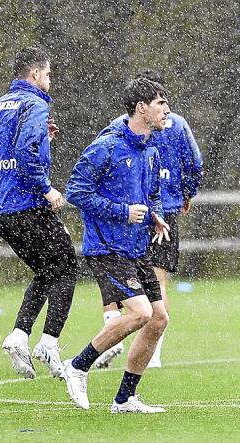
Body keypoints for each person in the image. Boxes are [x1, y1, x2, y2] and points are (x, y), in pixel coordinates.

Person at [62, 78, 171, 413]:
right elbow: (75, 192)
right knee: (140, 313)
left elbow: (152, 194)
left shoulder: (151, 150)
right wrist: (123, 212)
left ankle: (125, 398)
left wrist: (155, 215)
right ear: (141, 108)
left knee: (159, 319)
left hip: (137, 249)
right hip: (108, 247)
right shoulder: (106, 146)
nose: (166, 109)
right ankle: (78, 366)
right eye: (160, 103)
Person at [93, 70, 204, 370]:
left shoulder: (119, 125)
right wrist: (186, 192)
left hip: (136, 211)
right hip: (161, 210)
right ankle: (152, 353)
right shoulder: (177, 124)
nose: (164, 108)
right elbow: (195, 162)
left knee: (116, 278)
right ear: (144, 103)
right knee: (158, 281)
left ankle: (110, 340)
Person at [0, 47, 77, 380]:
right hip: (25, 202)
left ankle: (19, 335)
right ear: (36, 75)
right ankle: (49, 343)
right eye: (49, 74)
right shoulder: (35, 104)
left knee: (46, 270)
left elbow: (8, 149)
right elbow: (25, 153)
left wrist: (43, 138)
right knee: (67, 267)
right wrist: (46, 188)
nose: (49, 80)